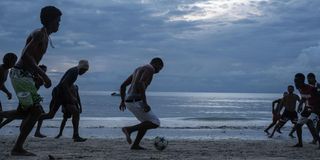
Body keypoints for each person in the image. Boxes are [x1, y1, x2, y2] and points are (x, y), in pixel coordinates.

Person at [7, 6, 61, 156]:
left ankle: (17, 143)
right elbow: (25, 55)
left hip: (25, 75)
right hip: (20, 75)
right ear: (50, 20)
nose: (59, 24)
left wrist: (36, 75)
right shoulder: (39, 34)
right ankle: (17, 148)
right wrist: (44, 75)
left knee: (27, 112)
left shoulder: (44, 35)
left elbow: (32, 59)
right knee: (36, 111)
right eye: (58, 20)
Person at [120, 57, 164, 150]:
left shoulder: (138, 69)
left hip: (129, 101)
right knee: (155, 122)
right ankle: (128, 129)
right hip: (136, 101)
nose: (158, 72)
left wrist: (122, 101)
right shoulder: (150, 69)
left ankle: (135, 145)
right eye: (160, 69)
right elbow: (140, 84)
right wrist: (145, 103)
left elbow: (123, 85)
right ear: (156, 64)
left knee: (145, 123)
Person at [40, 60, 89, 142]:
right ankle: (30, 118)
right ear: (82, 68)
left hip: (60, 93)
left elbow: (66, 85)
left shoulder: (74, 71)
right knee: (74, 113)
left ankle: (75, 135)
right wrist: (71, 97)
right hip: (60, 93)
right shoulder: (74, 71)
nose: (84, 73)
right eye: (84, 70)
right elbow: (64, 84)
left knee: (50, 115)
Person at [0, 65, 48, 138]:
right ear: (38, 69)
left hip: (31, 97)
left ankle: (34, 131)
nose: (43, 72)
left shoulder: (38, 78)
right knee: (19, 114)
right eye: (42, 70)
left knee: (20, 114)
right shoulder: (32, 76)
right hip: (26, 97)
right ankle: (34, 131)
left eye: (45, 71)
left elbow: (45, 85)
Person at [293, 73, 320, 148]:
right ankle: (300, 143)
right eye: (294, 81)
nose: (295, 83)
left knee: (310, 122)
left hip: (316, 109)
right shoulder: (299, 88)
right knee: (298, 125)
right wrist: (300, 105)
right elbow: (304, 97)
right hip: (308, 109)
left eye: (297, 81)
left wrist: (314, 108)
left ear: (302, 81)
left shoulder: (312, 88)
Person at [0, 53, 18, 123]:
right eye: (14, 61)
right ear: (8, 61)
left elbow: (1, 84)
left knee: (0, 117)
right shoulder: (1, 70)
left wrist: (7, 92)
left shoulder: (6, 70)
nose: (15, 63)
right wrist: (7, 92)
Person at [307, 72, 320, 143]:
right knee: (316, 124)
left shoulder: (318, 86)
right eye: (307, 78)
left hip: (317, 108)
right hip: (314, 108)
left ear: (314, 78)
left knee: (311, 122)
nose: (308, 80)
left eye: (309, 78)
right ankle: (315, 139)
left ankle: (315, 139)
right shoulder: (309, 87)